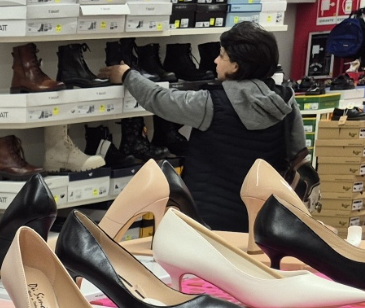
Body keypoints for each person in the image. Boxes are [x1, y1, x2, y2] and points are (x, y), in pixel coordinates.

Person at [101, 21, 305, 232]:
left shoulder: (211, 104)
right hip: (262, 220)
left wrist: (127, 74)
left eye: (222, 56)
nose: (215, 60)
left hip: (208, 221)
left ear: (235, 66)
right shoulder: (285, 102)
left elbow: (159, 99)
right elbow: (299, 156)